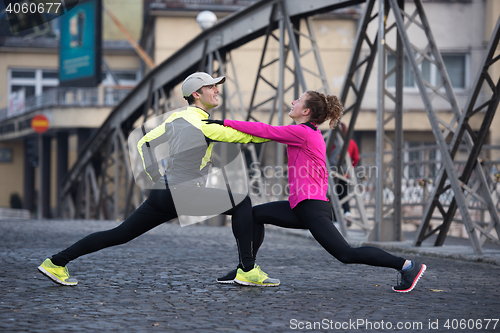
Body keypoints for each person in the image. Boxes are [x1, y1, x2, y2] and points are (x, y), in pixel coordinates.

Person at [38, 72, 280, 287]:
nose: (217, 90)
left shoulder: (174, 119)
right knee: (242, 202)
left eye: (216, 86)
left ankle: (56, 262)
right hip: (184, 194)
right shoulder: (205, 125)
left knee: (119, 234)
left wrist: (155, 176)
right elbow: (248, 137)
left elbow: (143, 143)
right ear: (196, 94)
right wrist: (286, 134)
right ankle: (247, 270)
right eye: (211, 87)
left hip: (163, 192)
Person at [204, 90, 426, 292]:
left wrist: (225, 123)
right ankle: (246, 268)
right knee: (252, 215)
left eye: (297, 101)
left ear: (306, 111)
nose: (292, 102)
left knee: (346, 254)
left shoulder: (304, 132)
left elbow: (267, 130)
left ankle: (407, 266)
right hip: (300, 206)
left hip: (312, 207)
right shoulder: (308, 133)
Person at [329, 122, 360, 225]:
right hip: (344, 174)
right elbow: (356, 158)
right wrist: (350, 168)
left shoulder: (331, 142)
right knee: (344, 194)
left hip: (331, 173)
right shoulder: (351, 143)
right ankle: (347, 214)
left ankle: (335, 219)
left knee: (332, 196)